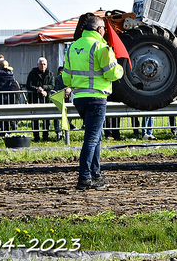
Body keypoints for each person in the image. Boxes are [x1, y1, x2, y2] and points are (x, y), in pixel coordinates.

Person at [62, 15, 123, 191]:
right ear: (99, 29)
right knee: (91, 139)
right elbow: (111, 74)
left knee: (95, 138)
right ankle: (85, 178)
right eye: (104, 28)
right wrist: (120, 69)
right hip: (97, 98)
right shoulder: (101, 47)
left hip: (79, 98)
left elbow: (66, 76)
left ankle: (96, 175)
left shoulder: (73, 47)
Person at [26, 57, 57, 141]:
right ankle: (36, 137)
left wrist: (43, 88)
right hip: (35, 99)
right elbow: (28, 85)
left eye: (44, 64)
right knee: (35, 119)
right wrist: (37, 89)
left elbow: (52, 85)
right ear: (37, 65)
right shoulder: (32, 73)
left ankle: (45, 136)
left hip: (46, 99)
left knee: (46, 118)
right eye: (41, 64)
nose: (43, 66)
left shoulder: (50, 73)